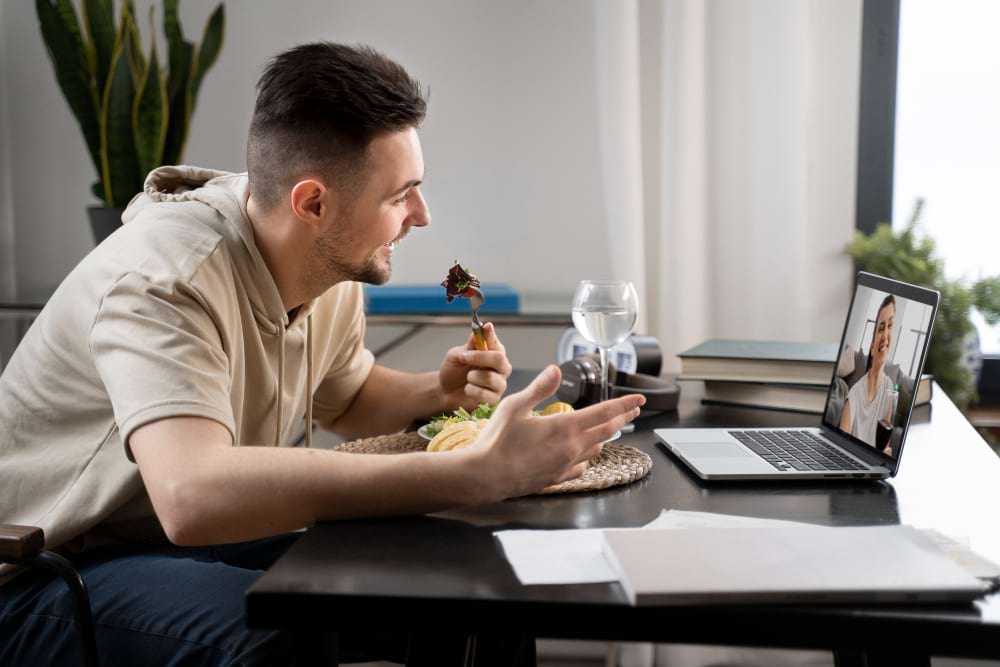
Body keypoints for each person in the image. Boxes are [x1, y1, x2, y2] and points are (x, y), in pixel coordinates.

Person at [0, 42, 645, 666]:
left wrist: (438, 392)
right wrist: (475, 473)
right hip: (49, 572)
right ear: (313, 202)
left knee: (481, 583)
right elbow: (192, 497)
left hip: (187, 548)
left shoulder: (321, 262)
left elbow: (352, 398)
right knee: (281, 631)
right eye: (400, 195)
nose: (421, 214)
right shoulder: (166, 280)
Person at [839, 295, 896, 453]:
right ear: (871, 346)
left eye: (889, 326)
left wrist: (886, 453)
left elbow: (885, 444)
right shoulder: (854, 396)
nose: (885, 335)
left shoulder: (889, 387)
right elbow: (840, 450)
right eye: (880, 328)